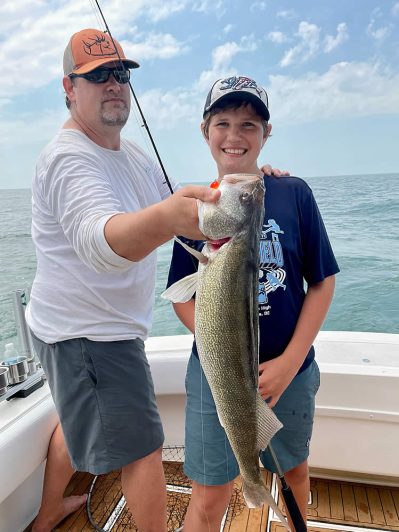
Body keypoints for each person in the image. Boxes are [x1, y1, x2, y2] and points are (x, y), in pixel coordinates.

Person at [26, 28, 222, 532]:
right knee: (143, 448)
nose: (114, 84)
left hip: (96, 325)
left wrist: (242, 183)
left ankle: (48, 513)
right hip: (87, 333)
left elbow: (178, 207)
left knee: (78, 420)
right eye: (97, 76)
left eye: (120, 74)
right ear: (69, 89)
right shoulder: (69, 158)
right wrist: (171, 219)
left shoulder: (131, 154)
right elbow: (101, 243)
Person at [166, 75, 339, 531]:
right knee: (209, 492)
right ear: (205, 132)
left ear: (266, 134)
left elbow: (322, 282)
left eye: (249, 124)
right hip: (214, 375)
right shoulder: (194, 209)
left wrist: (289, 363)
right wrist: (222, 350)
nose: (235, 135)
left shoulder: (293, 192)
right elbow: (181, 298)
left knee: (294, 471)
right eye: (222, 122)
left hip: (291, 373)